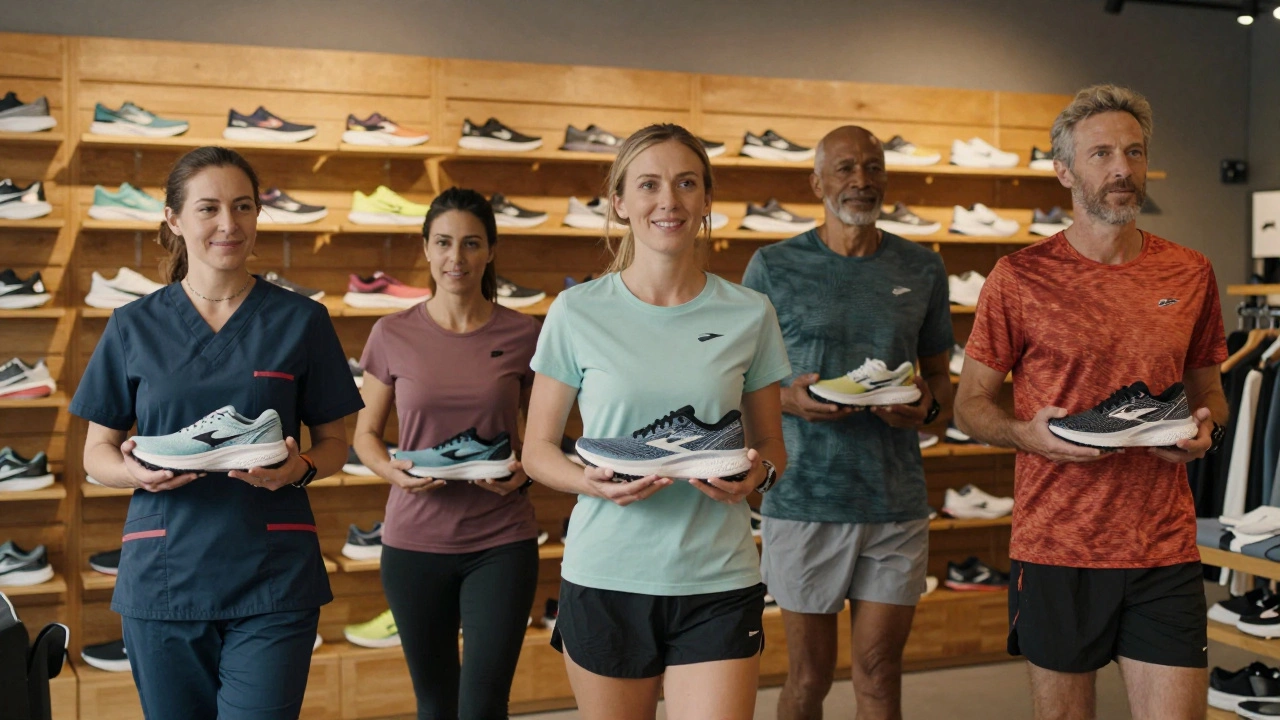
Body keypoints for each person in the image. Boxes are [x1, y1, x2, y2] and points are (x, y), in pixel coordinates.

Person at [953, 85, 1229, 720]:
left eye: (1134, 152)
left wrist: (1205, 434)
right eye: (1101, 154)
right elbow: (970, 405)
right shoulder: (1019, 276)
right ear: (1064, 170)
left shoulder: (1190, 272)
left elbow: (1209, 391)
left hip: (1163, 547)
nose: (1122, 169)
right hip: (1057, 547)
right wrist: (1027, 435)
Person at [72, 146, 363, 719]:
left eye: (243, 206)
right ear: (175, 220)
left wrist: (300, 468)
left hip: (274, 575)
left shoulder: (302, 320)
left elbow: (335, 443)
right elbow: (96, 452)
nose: (229, 223)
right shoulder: (133, 324)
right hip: (164, 573)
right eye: (208, 208)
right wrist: (133, 473)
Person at [522, 123, 791, 720]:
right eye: (648, 184)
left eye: (686, 183)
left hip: (718, 578)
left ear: (706, 199)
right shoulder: (576, 311)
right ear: (619, 202)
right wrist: (588, 481)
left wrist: (760, 475)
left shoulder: (750, 312)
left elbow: (771, 441)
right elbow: (536, 450)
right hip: (606, 573)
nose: (668, 200)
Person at [742, 125, 953, 720]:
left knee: (880, 676)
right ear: (817, 183)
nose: (861, 180)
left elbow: (942, 381)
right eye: (845, 168)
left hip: (895, 501)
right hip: (805, 498)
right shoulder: (773, 266)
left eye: (873, 167)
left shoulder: (923, 267)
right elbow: (736, 381)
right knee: (809, 678)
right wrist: (790, 400)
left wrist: (926, 409)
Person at [352, 187, 541, 720]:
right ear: (426, 248)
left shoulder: (524, 334)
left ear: (491, 250)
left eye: (471, 243)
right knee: (435, 705)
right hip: (414, 541)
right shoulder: (391, 333)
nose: (456, 258)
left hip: (502, 540)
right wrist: (391, 470)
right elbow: (366, 434)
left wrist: (524, 473)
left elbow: (538, 439)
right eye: (443, 243)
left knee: (483, 706)